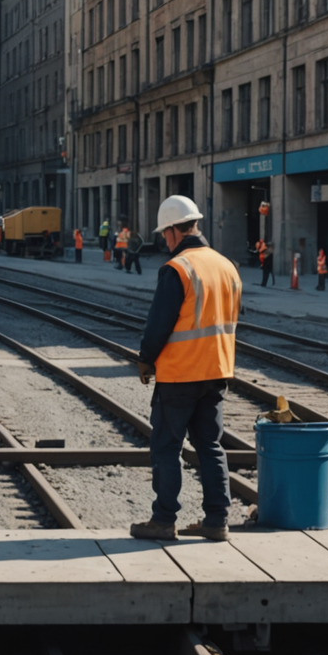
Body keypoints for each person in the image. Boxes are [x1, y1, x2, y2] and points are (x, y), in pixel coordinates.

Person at [130, 195, 240, 543]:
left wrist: (146, 357)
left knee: (166, 446)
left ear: (177, 230)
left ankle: (163, 520)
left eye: (165, 233)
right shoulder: (227, 266)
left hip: (180, 374)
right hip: (217, 371)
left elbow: (159, 322)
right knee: (210, 446)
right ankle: (217, 521)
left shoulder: (178, 268)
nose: (164, 240)